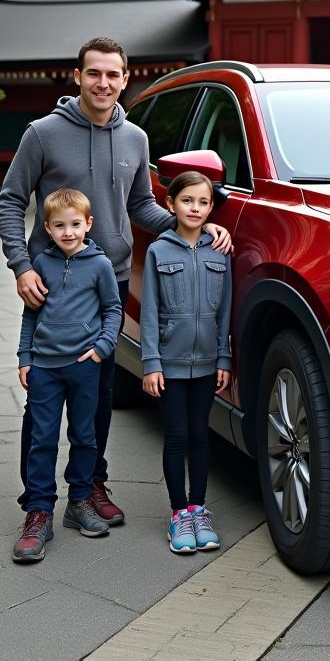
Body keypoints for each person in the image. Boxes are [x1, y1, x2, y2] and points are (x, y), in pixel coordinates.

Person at [0, 37, 232, 526]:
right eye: (94, 73)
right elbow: (10, 201)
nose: (103, 83)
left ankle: (90, 485)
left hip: (111, 280)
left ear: (125, 79)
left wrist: (193, 225)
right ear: (78, 76)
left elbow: (143, 206)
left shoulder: (136, 139)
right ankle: (37, 505)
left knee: (97, 394)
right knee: (42, 401)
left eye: (113, 75)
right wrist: (21, 266)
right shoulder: (42, 134)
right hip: (51, 284)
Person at [12, 188, 122, 562]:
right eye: (59, 226)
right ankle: (38, 512)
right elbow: (31, 314)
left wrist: (102, 348)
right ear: (47, 227)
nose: (68, 232)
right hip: (44, 367)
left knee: (84, 435)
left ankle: (79, 501)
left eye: (76, 224)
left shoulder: (100, 266)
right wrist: (25, 356)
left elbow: (113, 310)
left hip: (83, 366)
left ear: (88, 224)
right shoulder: (40, 264)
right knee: (42, 438)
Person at [141, 171, 232, 554]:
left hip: (209, 363)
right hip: (171, 365)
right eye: (187, 201)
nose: (195, 208)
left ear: (211, 207)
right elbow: (149, 310)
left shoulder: (220, 251)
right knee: (176, 436)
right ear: (170, 204)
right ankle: (179, 513)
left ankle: (199, 507)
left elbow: (226, 309)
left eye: (203, 202)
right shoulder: (158, 251)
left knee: (200, 435)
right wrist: (150, 363)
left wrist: (225, 357)